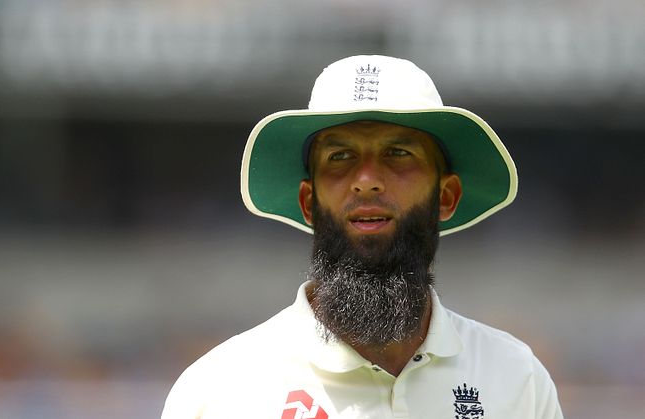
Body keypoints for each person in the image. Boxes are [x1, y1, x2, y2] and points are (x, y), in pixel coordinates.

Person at [162, 55, 563, 419]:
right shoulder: (218, 392)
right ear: (308, 201)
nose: (367, 181)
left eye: (398, 154)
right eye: (340, 157)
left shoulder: (517, 380)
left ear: (446, 196)